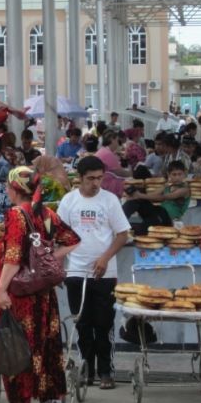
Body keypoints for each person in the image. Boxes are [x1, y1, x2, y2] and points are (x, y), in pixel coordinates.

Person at [0, 166, 80, 403]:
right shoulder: (46, 213)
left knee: (17, 350)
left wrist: (1, 289)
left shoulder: (17, 215)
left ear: (15, 189)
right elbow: (73, 240)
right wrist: (49, 259)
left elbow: (13, 256)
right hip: (44, 296)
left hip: (21, 298)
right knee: (47, 350)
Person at [58, 156, 130, 389]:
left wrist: (105, 258)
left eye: (99, 178)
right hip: (75, 271)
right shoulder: (69, 201)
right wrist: (57, 266)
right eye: (91, 178)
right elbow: (59, 236)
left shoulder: (110, 200)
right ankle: (85, 369)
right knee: (82, 323)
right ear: (79, 178)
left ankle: (106, 372)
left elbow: (122, 234)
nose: (96, 183)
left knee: (104, 324)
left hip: (104, 274)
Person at [123, 160, 191, 234]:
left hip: (170, 220)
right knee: (138, 201)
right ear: (169, 175)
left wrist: (140, 195)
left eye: (180, 174)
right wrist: (135, 196)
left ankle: (134, 230)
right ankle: (120, 221)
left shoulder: (185, 189)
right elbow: (152, 195)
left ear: (184, 174)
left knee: (157, 214)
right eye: (174, 175)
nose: (177, 177)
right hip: (159, 215)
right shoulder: (167, 186)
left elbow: (163, 197)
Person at [95, 131, 131, 197]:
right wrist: (132, 174)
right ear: (112, 140)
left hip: (101, 182)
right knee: (131, 186)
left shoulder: (103, 150)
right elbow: (119, 172)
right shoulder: (107, 153)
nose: (118, 144)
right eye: (117, 141)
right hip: (106, 185)